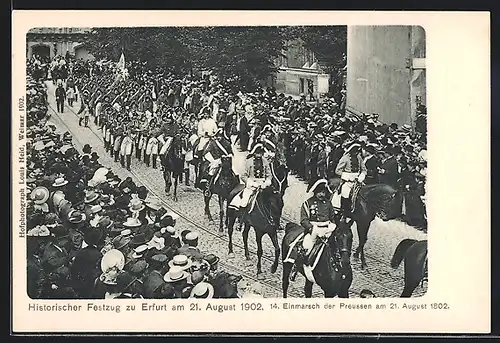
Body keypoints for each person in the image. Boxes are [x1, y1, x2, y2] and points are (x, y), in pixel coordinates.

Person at [290, 178, 336, 281]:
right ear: (315, 192)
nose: (322, 195)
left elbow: (332, 217)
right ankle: (296, 268)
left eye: (323, 192)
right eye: (320, 192)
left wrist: (332, 225)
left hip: (327, 230)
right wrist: (312, 229)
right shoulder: (307, 204)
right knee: (305, 248)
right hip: (314, 231)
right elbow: (304, 220)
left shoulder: (328, 203)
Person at [335, 142, 367, 224]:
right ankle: (343, 212)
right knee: (345, 193)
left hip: (358, 180)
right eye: (355, 151)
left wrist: (362, 176)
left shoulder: (359, 158)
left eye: (357, 152)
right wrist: (347, 176)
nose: (356, 153)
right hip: (347, 181)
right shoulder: (344, 158)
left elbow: (364, 169)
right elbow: (338, 171)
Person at [236, 143, 272, 211]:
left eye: (261, 153)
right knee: (244, 201)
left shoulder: (265, 162)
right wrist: (251, 183)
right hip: (252, 186)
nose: (259, 155)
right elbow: (243, 175)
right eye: (257, 153)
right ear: (254, 153)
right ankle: (242, 217)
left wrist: (267, 182)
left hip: (263, 185)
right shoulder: (248, 162)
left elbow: (269, 174)